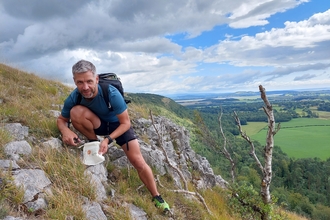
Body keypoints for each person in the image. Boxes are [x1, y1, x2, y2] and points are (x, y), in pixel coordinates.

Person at [57, 59, 170, 212]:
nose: (85, 87)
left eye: (89, 81)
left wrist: (109, 139)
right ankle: (94, 142)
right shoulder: (75, 96)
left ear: (96, 79)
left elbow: (126, 123)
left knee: (138, 161)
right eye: (80, 82)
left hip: (119, 125)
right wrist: (66, 131)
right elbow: (62, 120)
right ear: (74, 81)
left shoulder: (110, 92)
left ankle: (157, 197)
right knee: (75, 112)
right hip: (98, 124)